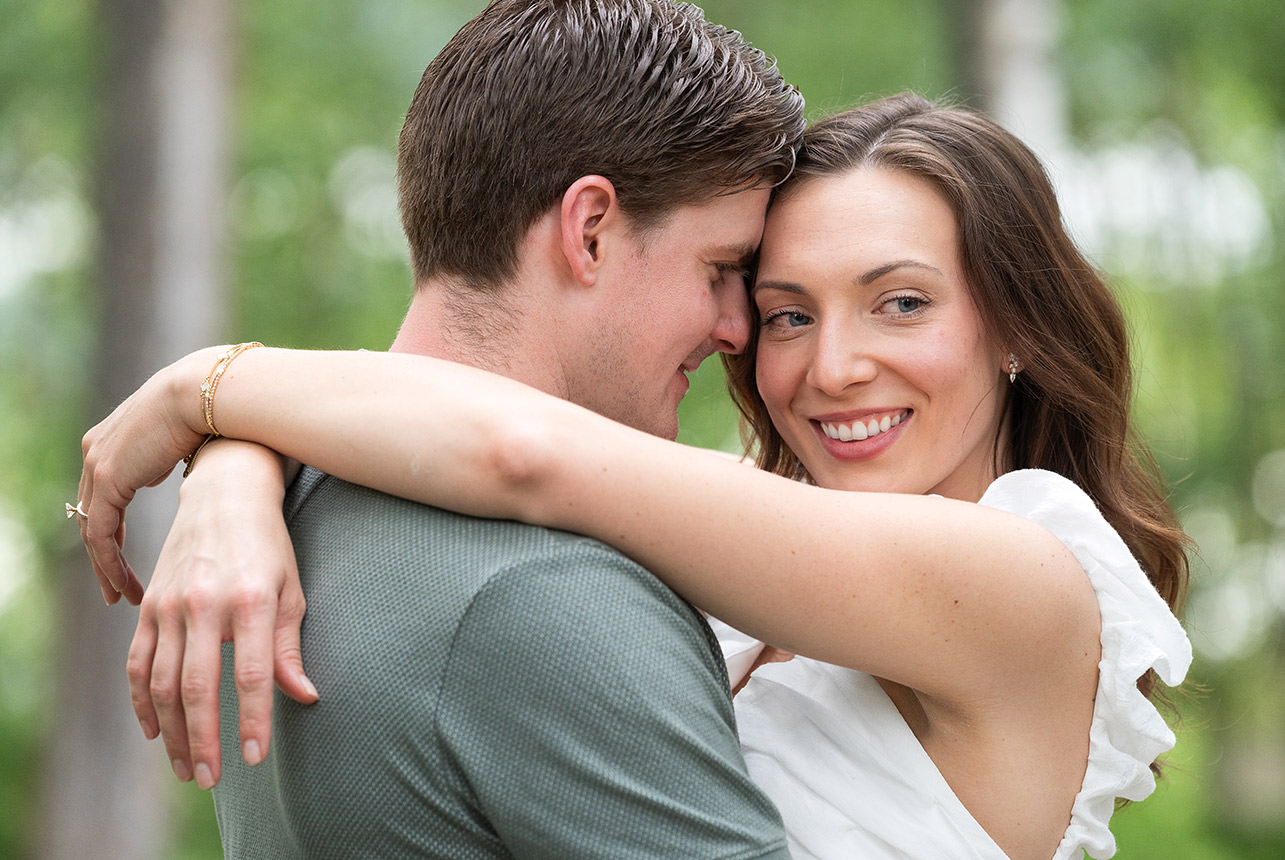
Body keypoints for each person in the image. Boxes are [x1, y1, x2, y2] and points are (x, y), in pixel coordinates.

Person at [78, 93, 1192, 860]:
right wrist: (237, 469)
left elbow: (520, 449)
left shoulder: (1023, 572)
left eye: (900, 301)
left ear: (1017, 328)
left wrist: (204, 388)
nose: (832, 365)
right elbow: (449, 411)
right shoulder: (752, 554)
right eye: (783, 313)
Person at [76, 1, 808, 857]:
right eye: (720, 269)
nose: (736, 327)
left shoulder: (288, 502)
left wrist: (224, 428)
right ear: (591, 231)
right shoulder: (550, 592)